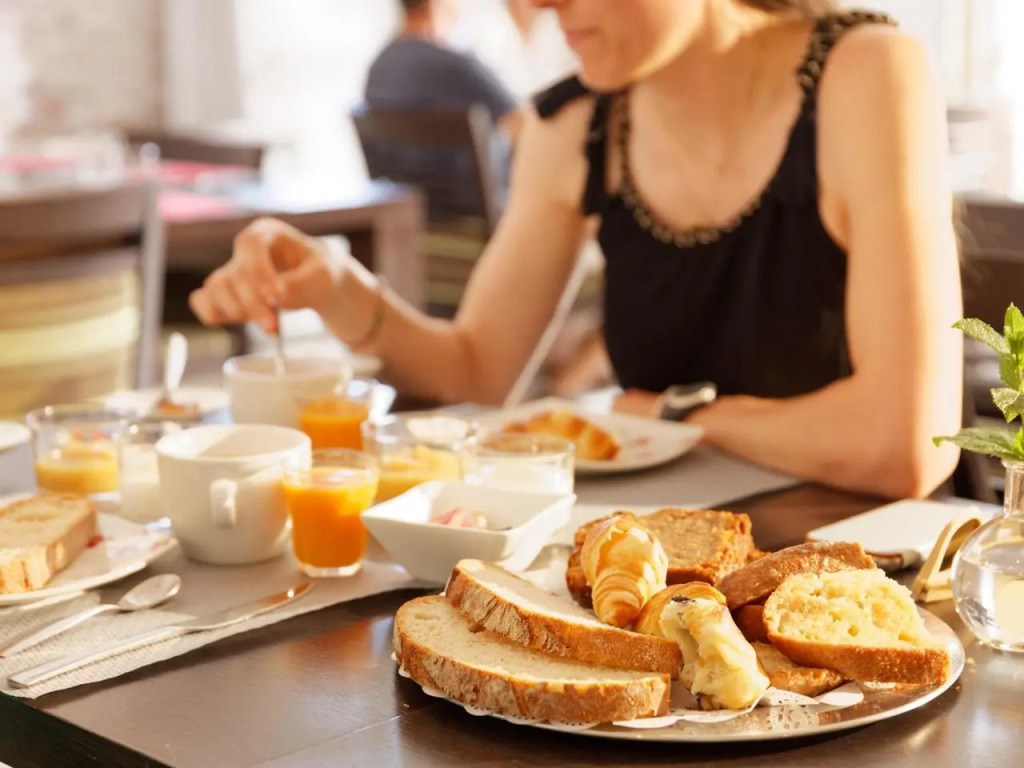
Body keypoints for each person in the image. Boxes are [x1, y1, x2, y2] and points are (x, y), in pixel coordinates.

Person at [191, 0, 964, 499]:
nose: (537, 5)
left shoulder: (866, 73)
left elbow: (904, 443)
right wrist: (337, 286)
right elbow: (476, 369)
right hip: (671, 573)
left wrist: (669, 415)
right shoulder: (574, 126)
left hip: (869, 585)